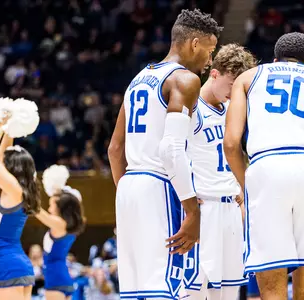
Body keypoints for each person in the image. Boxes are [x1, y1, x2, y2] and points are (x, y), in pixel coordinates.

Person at [224, 32, 304, 300]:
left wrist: (247, 185)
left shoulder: (248, 78)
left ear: (274, 60)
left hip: (266, 166)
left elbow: (230, 143)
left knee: (272, 289)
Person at [107, 9, 222, 299]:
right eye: (209, 51)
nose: (209, 62)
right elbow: (171, 150)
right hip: (159, 183)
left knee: (138, 291)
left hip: (129, 186)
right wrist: (192, 211)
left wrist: (130, 200)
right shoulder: (185, 80)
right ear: (194, 44)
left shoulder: (137, 79)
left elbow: (115, 149)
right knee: (168, 288)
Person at [184, 43, 256, 299]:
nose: (234, 92)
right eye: (231, 84)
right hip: (205, 208)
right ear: (214, 74)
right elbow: (172, 155)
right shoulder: (191, 108)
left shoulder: (232, 110)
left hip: (232, 210)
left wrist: (240, 185)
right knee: (195, 290)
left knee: (229, 293)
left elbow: (239, 153)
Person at [0, 115, 41, 299]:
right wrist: (9, 125)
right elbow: (1, 156)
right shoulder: (15, 190)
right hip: (14, 264)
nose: (1, 166)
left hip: (8, 265)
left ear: (12, 169)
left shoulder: (14, 190)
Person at [35, 187, 85, 300]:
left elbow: (37, 211)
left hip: (54, 277)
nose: (49, 208)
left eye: (51, 205)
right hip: (62, 276)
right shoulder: (69, 226)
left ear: (60, 208)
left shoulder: (59, 223)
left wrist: (27, 192)